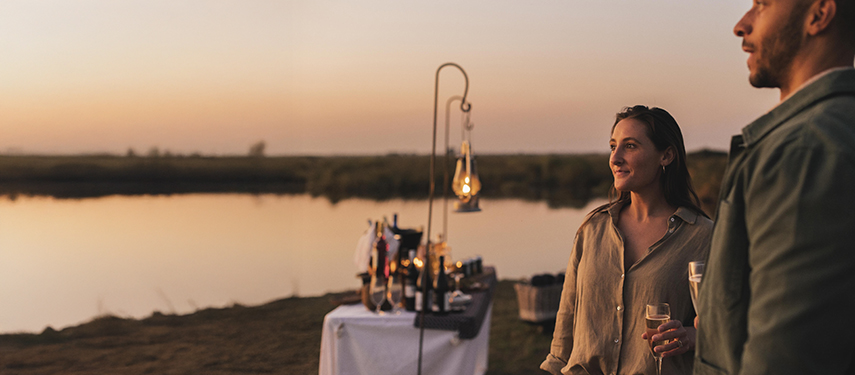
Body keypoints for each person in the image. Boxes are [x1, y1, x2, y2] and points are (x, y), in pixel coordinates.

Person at [694, 0, 855, 374]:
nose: (741, 25)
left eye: (762, 5)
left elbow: (785, 359)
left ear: (818, 15)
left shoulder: (804, 151)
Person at [541, 105, 713, 375]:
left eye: (630, 146)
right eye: (613, 146)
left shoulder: (704, 237)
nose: (616, 158)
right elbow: (567, 320)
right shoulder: (592, 229)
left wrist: (692, 336)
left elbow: (730, 326)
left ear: (666, 155)